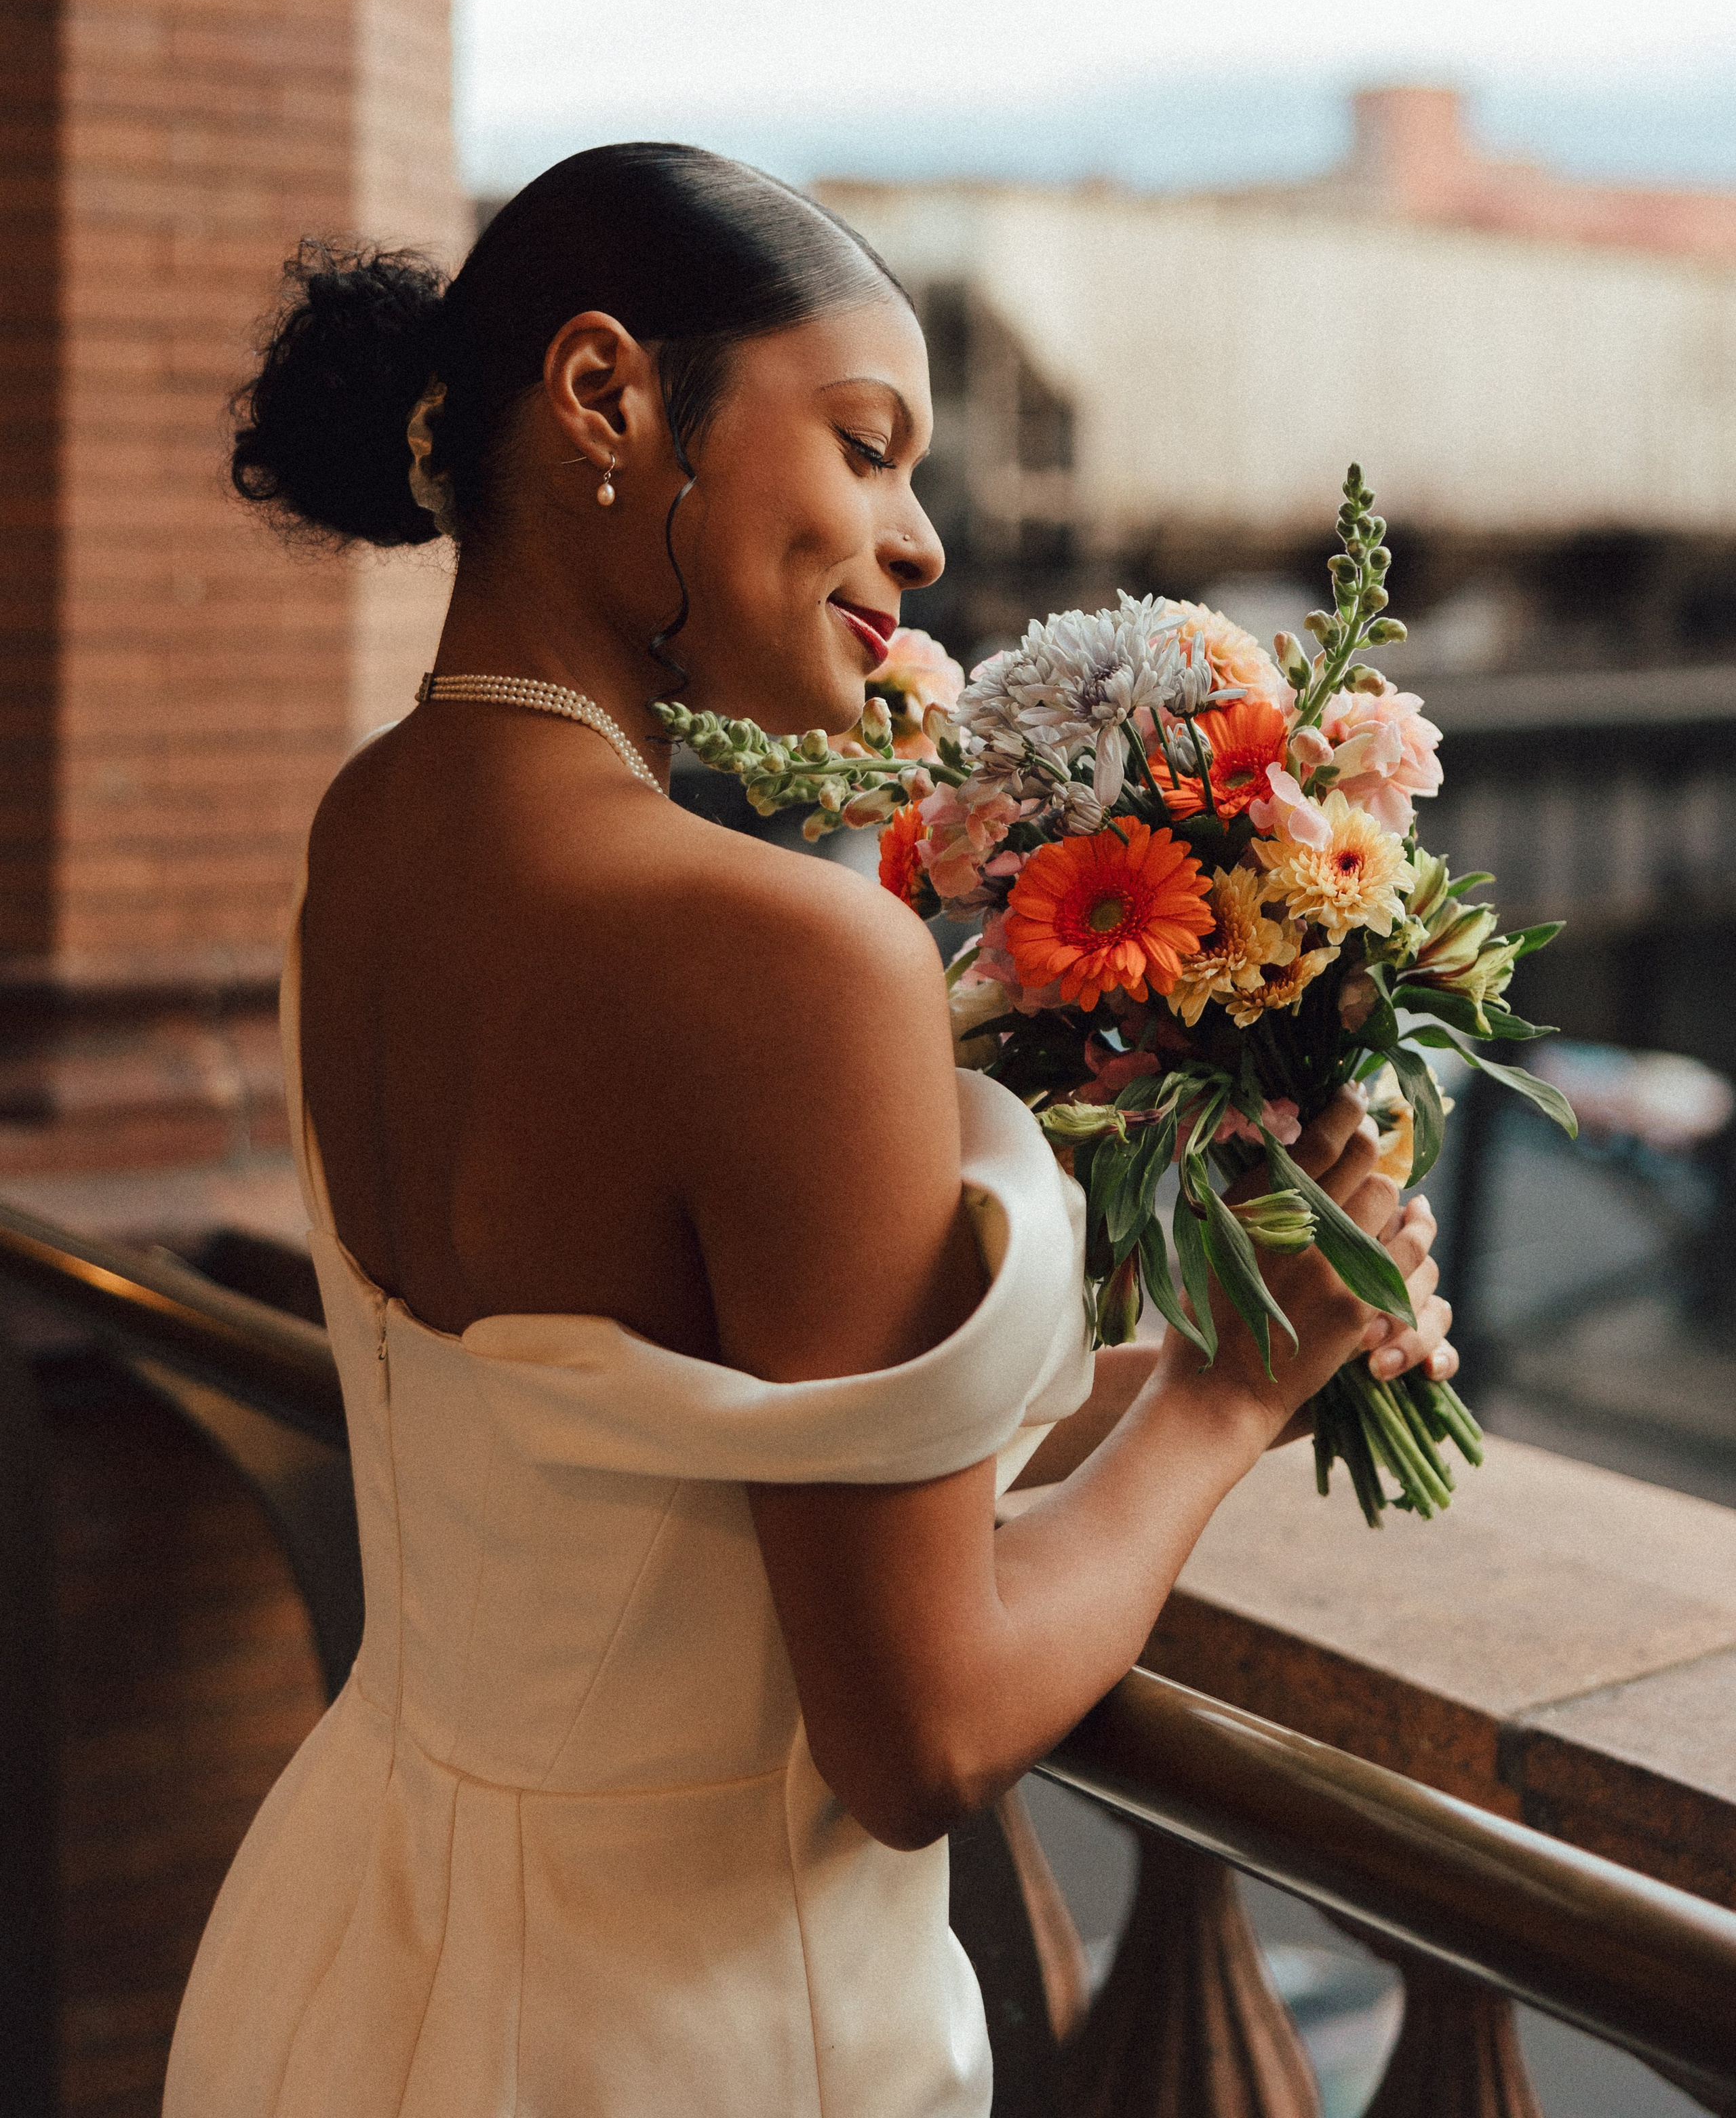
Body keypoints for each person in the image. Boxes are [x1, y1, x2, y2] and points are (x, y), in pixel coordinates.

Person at [164, 145, 1453, 2118]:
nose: (919, 540)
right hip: (678, 2039)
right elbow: (923, 1732)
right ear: (606, 399)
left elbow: (623, 1426)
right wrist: (1224, 1396)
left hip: (348, 1954)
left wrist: (1116, 1379)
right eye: (867, 446)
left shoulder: (374, 835)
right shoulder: (785, 958)